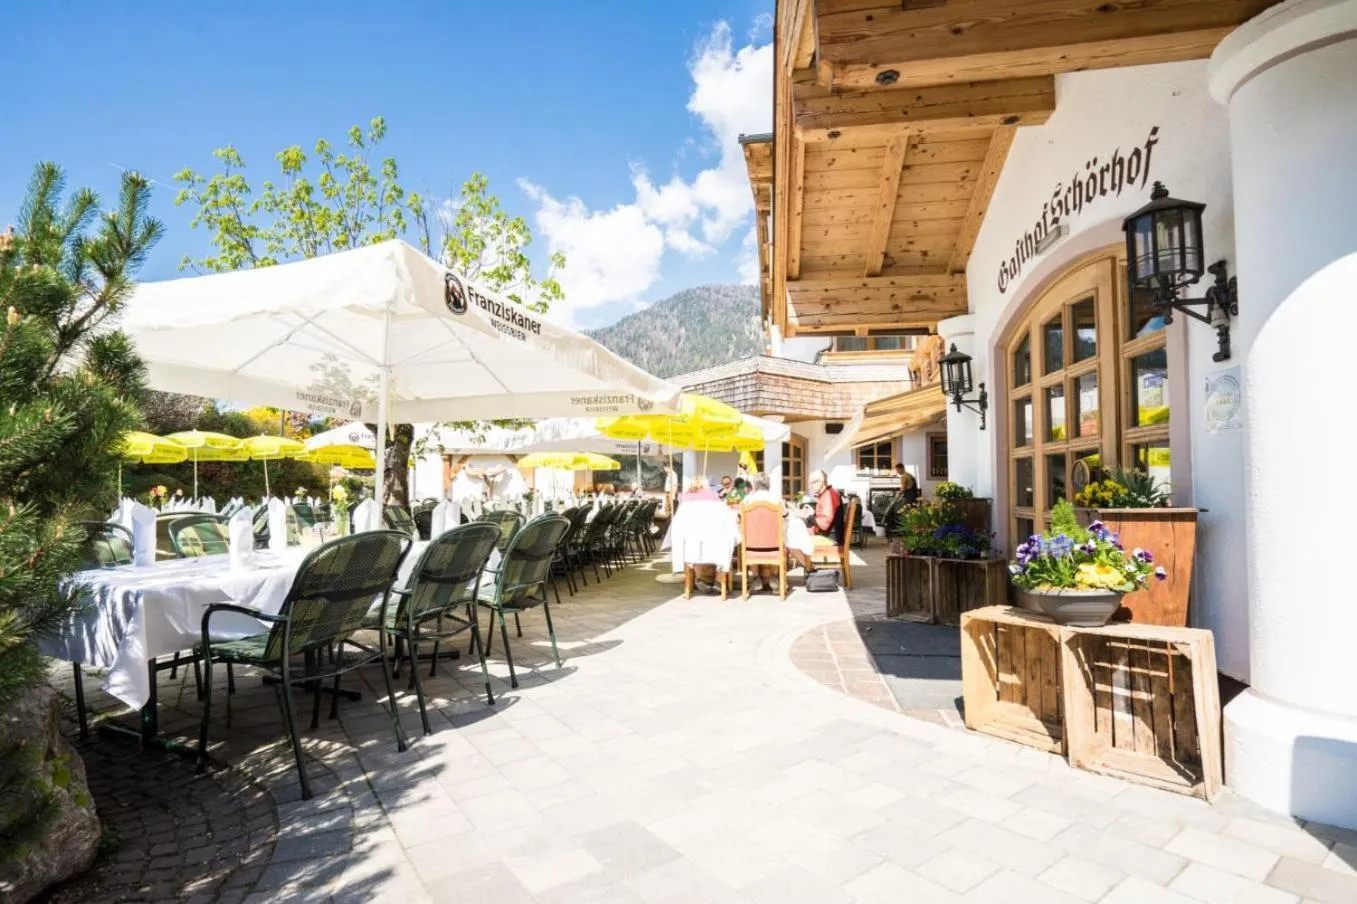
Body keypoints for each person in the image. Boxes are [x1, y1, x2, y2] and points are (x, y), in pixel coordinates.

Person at [807, 470, 843, 548]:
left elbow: (824, 524)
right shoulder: (827, 493)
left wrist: (809, 518)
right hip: (827, 536)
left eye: (813, 482)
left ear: (821, 482)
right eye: (809, 483)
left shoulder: (829, 495)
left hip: (830, 539)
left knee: (795, 540)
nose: (810, 486)